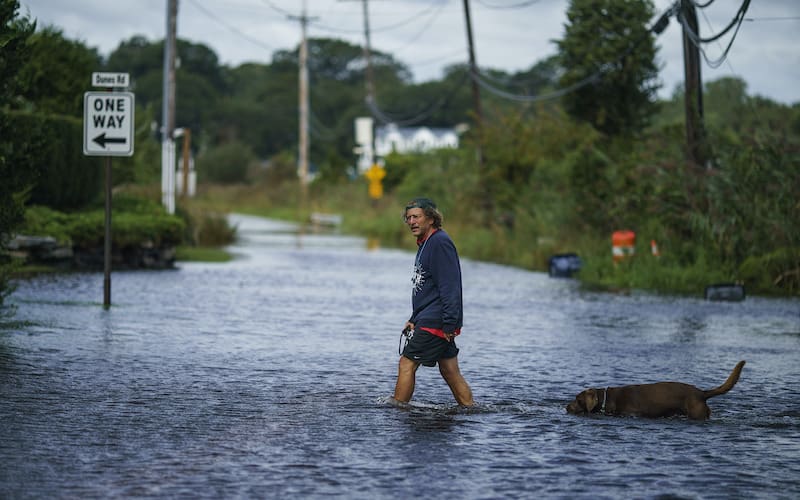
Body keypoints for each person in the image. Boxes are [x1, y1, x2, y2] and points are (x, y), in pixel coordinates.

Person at [391, 197, 474, 407]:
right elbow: (427, 289)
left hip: (437, 321)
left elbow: (450, 286)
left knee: (407, 363)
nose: (411, 222)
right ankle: (471, 411)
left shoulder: (439, 243)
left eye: (416, 217)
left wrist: (449, 323)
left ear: (431, 218)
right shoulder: (426, 243)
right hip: (430, 318)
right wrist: (414, 318)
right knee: (449, 370)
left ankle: (396, 412)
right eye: (408, 218)